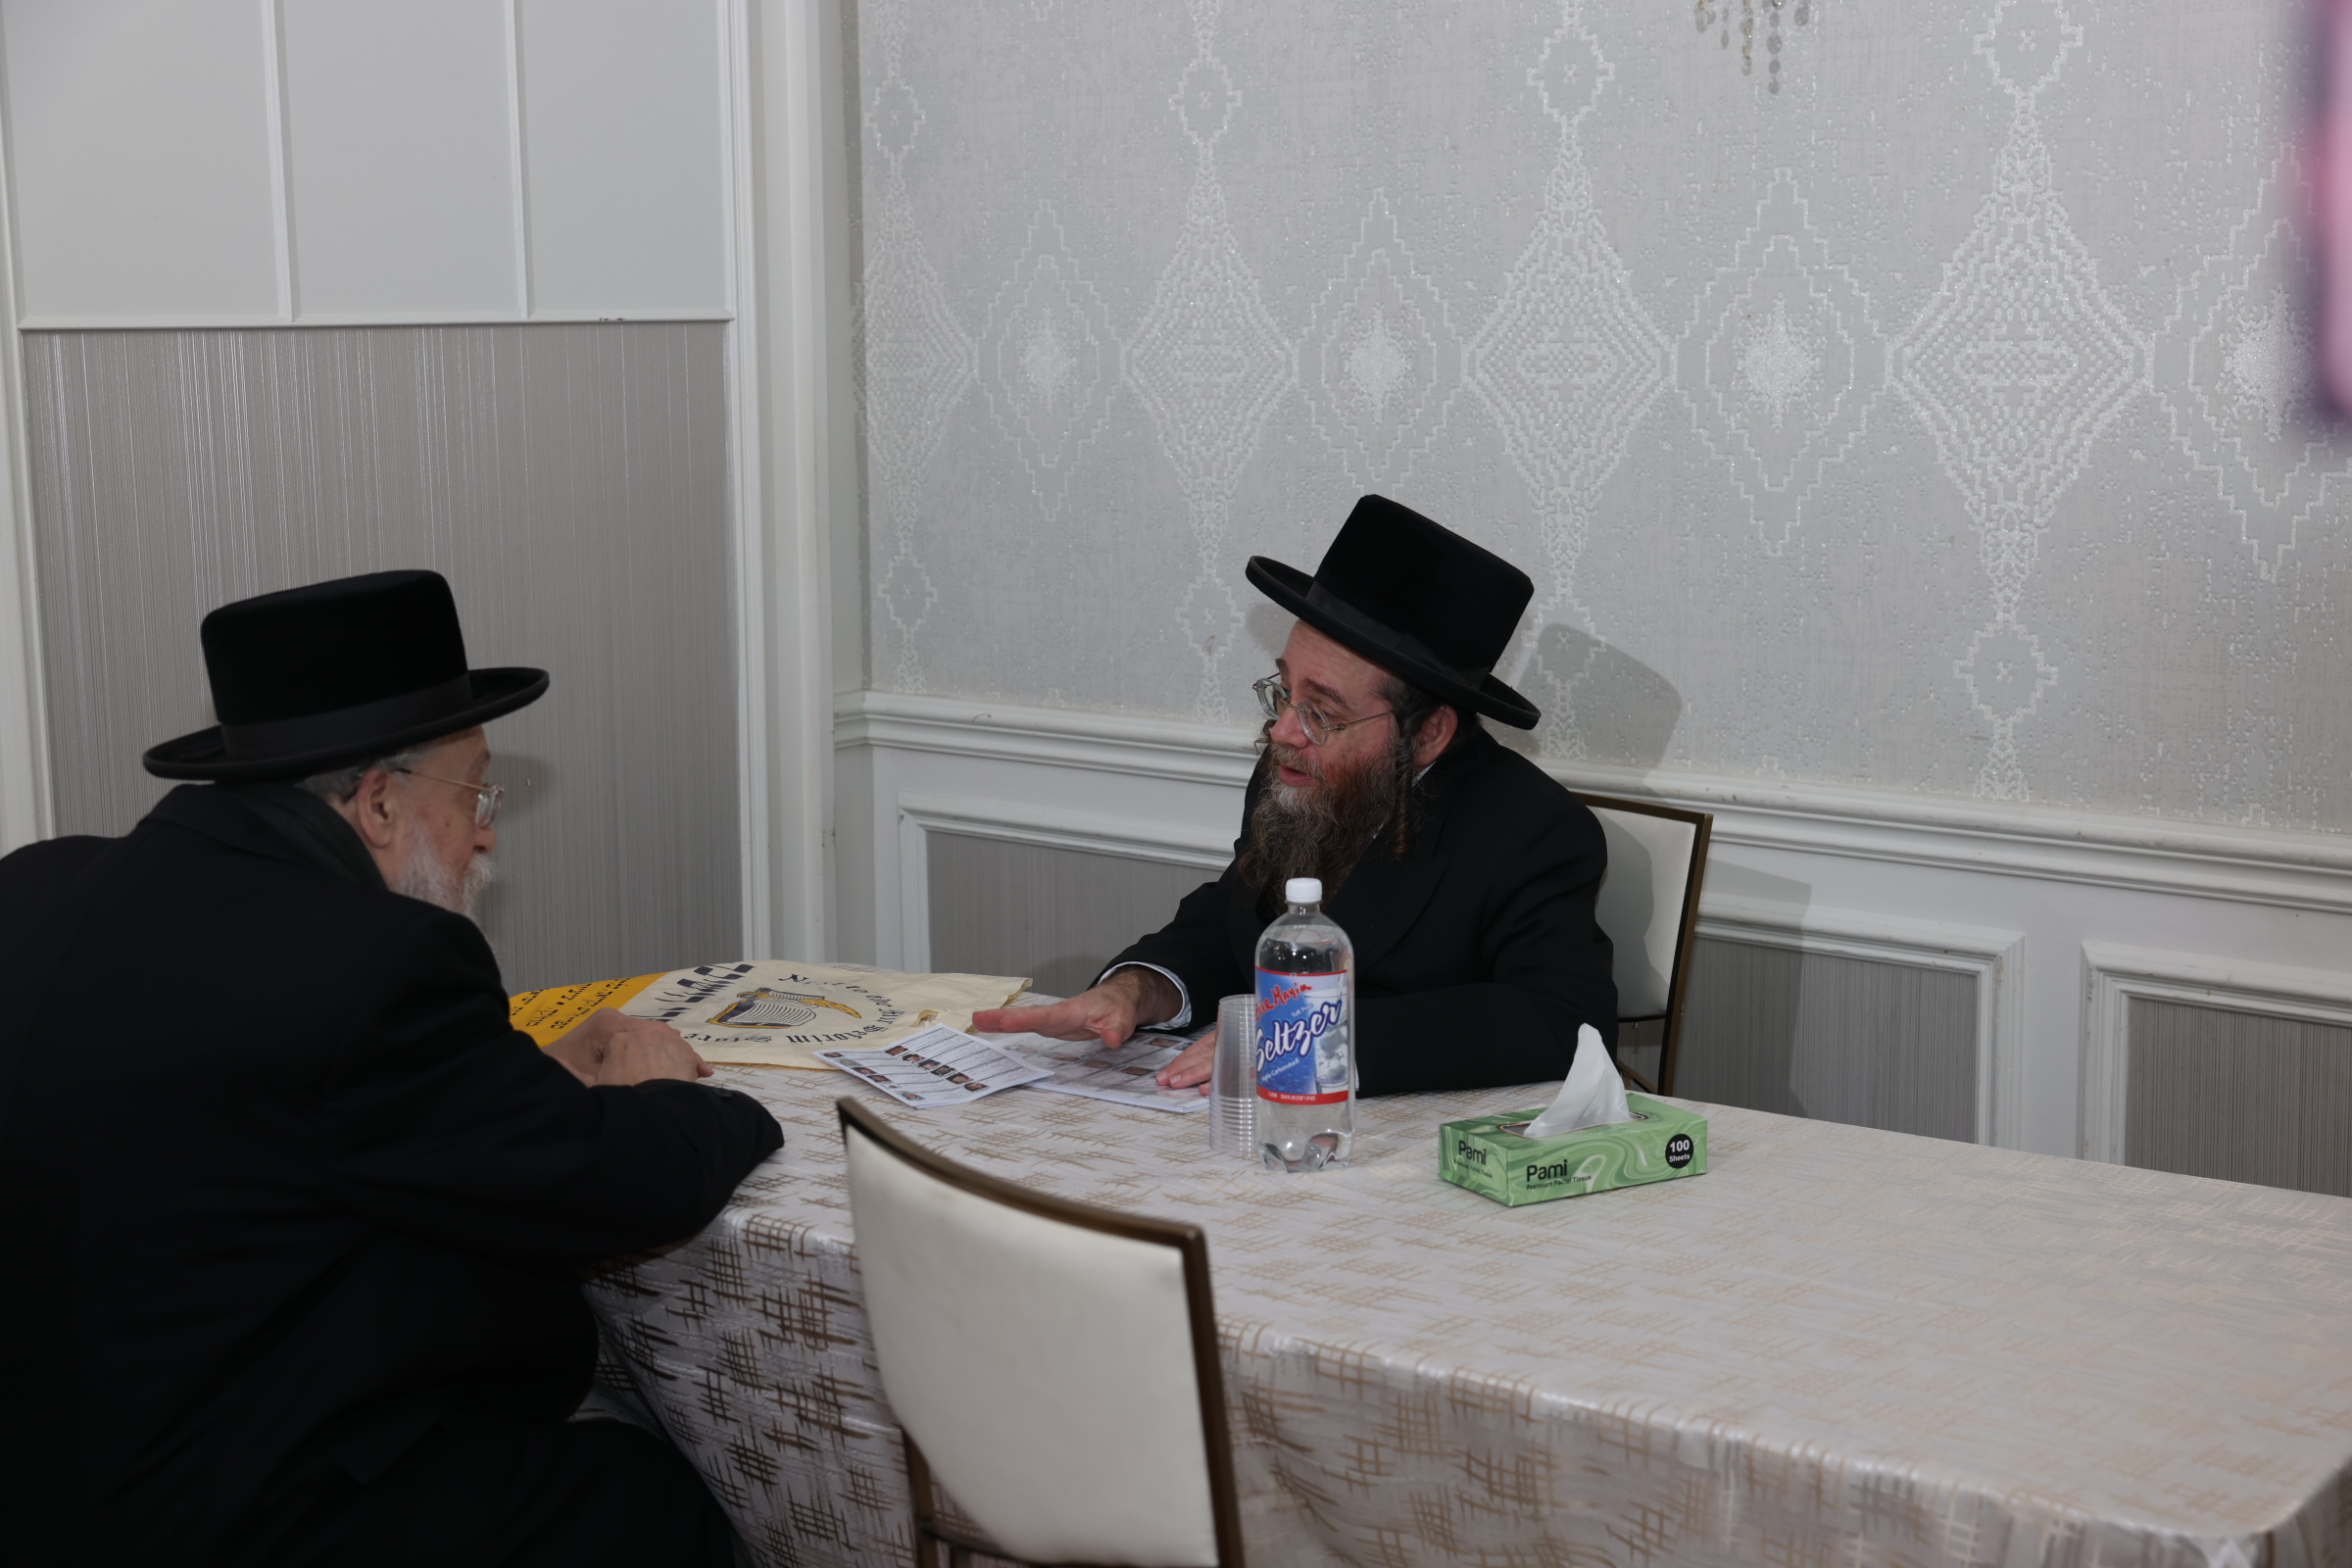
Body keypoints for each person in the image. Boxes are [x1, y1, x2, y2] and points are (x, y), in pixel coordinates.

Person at [0, 570, 780, 1567]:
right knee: (648, 1500)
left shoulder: (35, 885)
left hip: (42, 1488)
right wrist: (658, 1086)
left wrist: (518, 1076)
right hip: (228, 1517)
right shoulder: (372, 961)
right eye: (477, 791)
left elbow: (280, 1112)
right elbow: (623, 1186)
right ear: (376, 802)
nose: (487, 830)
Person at [974, 494, 1618, 1095]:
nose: (1283, 732)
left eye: (1323, 713)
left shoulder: (1533, 829)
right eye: (1286, 691)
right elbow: (1235, 917)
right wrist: (1139, 989)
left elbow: (1561, 1020)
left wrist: (1309, 1039)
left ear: (1427, 734)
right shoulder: (1293, 771)